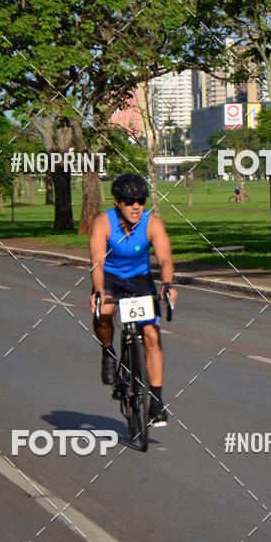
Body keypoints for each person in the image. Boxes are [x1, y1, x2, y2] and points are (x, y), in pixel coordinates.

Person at [88, 173, 178, 427]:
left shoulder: (152, 223)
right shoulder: (103, 223)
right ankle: (107, 350)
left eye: (140, 201)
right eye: (129, 201)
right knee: (103, 314)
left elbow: (165, 259)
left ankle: (156, 402)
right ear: (118, 202)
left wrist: (167, 284)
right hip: (110, 277)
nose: (136, 206)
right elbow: (97, 261)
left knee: (151, 334)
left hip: (139, 279)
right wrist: (98, 291)